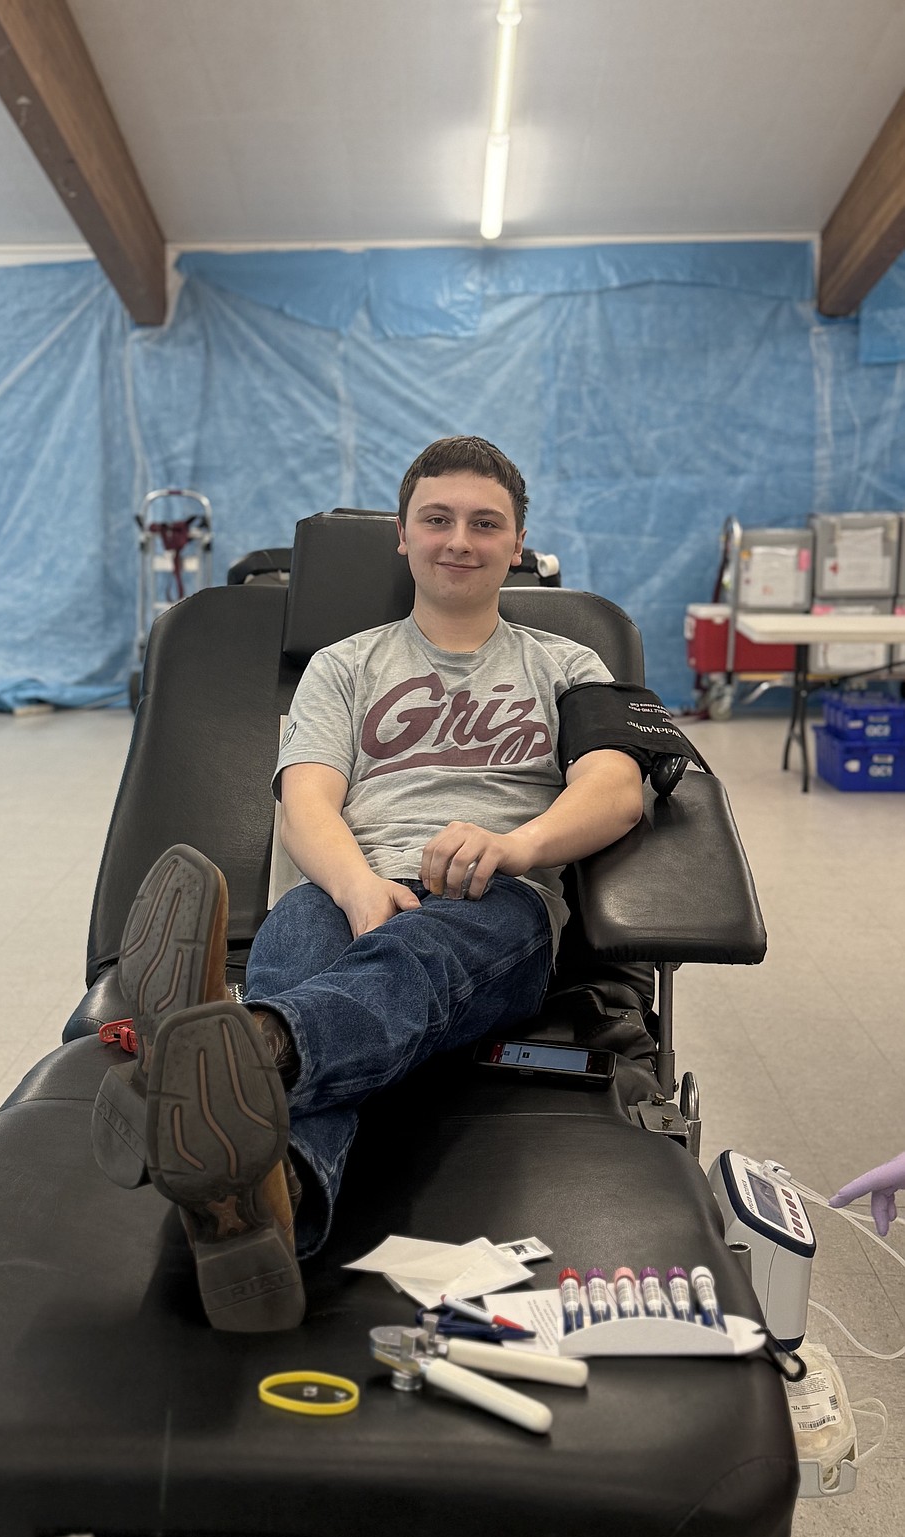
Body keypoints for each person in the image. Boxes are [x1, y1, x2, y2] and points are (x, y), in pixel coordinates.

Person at [91, 435, 645, 1332]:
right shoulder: (343, 666)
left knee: (416, 952)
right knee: (310, 943)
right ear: (402, 535)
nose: (458, 538)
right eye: (436, 518)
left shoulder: (567, 665)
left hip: (493, 905)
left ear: (518, 544)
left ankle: (243, 1047)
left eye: (483, 523)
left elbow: (617, 788)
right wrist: (355, 887)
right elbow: (307, 802)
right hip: (346, 887)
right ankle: (276, 1203)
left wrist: (516, 844)